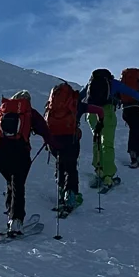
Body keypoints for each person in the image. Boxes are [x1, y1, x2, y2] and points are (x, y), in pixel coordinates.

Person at [0, 91, 50, 233]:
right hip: (20, 154)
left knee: (11, 183)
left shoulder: (3, 110)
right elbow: (45, 131)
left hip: (0, 155)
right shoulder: (30, 113)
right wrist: (54, 145)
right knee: (18, 186)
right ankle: (16, 221)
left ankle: (11, 214)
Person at [42, 80, 100, 213]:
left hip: (54, 141)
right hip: (70, 139)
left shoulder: (51, 106)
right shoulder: (76, 104)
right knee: (71, 167)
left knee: (60, 164)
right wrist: (100, 121)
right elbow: (98, 110)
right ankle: (71, 195)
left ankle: (62, 192)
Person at [85, 68, 120, 190]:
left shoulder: (91, 83)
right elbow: (130, 92)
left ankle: (98, 170)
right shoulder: (112, 83)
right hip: (106, 112)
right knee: (107, 144)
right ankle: (108, 176)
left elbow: (80, 96)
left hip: (91, 113)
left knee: (97, 141)